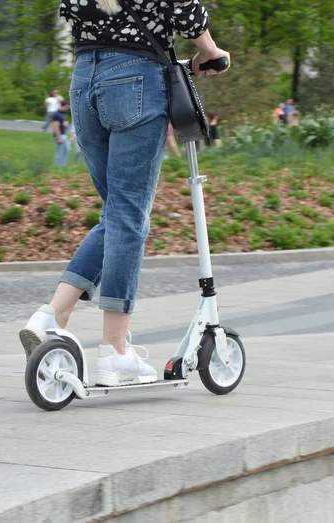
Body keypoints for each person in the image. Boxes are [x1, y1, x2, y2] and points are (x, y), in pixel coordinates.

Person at [19, 0, 230, 386]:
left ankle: (53, 314)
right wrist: (209, 49)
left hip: (83, 81)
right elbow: (183, 7)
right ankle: (115, 351)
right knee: (128, 218)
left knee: (117, 214)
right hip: (135, 77)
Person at [52, 101, 71, 168]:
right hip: (60, 136)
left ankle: (63, 166)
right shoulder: (56, 114)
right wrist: (58, 137)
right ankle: (58, 167)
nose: (67, 109)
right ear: (61, 106)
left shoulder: (62, 114)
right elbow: (56, 127)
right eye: (66, 107)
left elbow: (63, 124)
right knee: (59, 152)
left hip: (64, 135)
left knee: (67, 150)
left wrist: (66, 124)